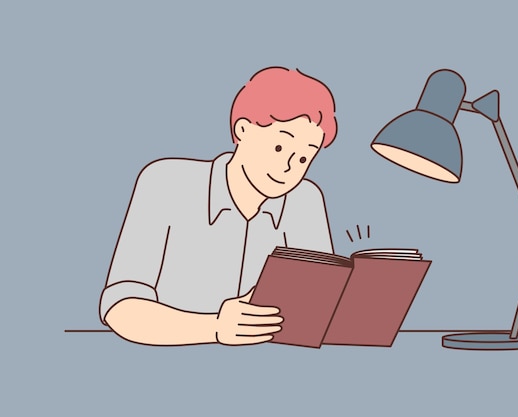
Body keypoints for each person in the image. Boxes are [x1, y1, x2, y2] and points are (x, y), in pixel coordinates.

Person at [99, 67, 338, 346]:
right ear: (243, 129)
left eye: (302, 160)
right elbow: (121, 308)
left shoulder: (305, 201)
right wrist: (214, 328)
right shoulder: (166, 183)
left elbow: (317, 313)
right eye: (279, 148)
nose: (288, 168)